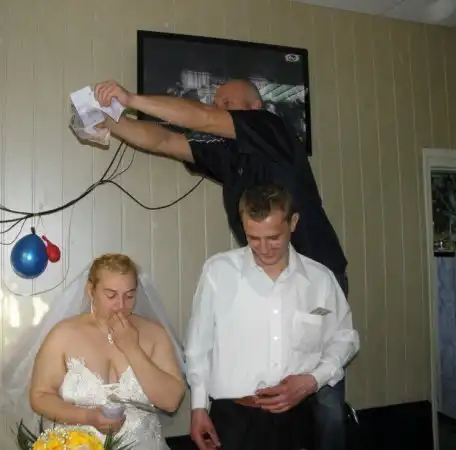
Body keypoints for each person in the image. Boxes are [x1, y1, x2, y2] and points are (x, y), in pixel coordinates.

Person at [94, 79, 349, 449]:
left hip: (312, 275)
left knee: (325, 405)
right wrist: (108, 122)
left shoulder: (273, 130)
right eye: (215, 102)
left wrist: (131, 99)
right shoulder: (228, 154)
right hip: (259, 272)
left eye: (226, 103)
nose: (217, 108)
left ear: (255, 109)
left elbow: (204, 118)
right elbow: (164, 141)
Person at [184, 184, 359, 450]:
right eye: (253, 238)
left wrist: (313, 380)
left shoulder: (319, 280)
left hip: (298, 420)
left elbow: (345, 338)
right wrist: (198, 406)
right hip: (233, 420)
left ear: (293, 223)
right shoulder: (218, 272)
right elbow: (198, 345)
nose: (264, 248)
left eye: (274, 237)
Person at [0, 253, 186, 450]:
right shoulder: (64, 334)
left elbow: (171, 402)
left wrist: (132, 349)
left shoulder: (155, 334)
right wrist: (87, 417)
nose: (121, 305)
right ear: (91, 290)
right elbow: (40, 396)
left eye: (129, 295)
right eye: (111, 295)